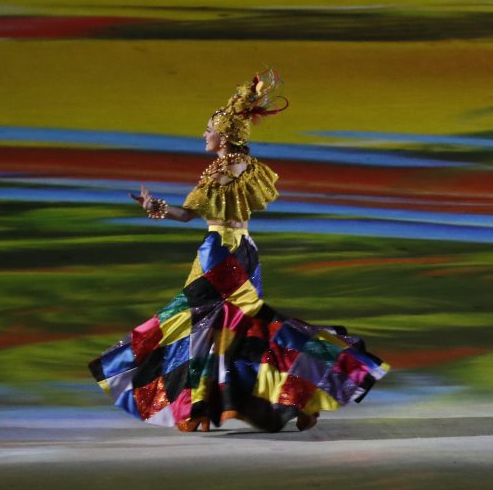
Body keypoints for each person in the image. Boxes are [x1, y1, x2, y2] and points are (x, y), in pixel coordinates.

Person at [88, 70, 389, 432]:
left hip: (221, 253)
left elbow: (195, 211)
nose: (204, 135)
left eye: (209, 129)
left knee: (195, 323)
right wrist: (158, 208)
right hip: (241, 249)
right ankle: (301, 393)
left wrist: (164, 209)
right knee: (244, 327)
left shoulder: (224, 170)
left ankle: (198, 406)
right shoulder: (239, 168)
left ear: (225, 135)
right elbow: (192, 214)